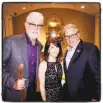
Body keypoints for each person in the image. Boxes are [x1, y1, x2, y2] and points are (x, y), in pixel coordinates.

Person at [3, 12, 44, 101]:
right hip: (14, 95)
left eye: (40, 25)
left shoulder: (40, 45)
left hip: (32, 93)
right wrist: (12, 83)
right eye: (33, 24)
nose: (36, 28)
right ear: (26, 25)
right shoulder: (10, 41)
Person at [63, 24, 100, 101]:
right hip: (69, 96)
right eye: (67, 36)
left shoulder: (90, 49)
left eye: (73, 35)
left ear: (78, 34)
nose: (70, 39)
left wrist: (97, 97)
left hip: (85, 96)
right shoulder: (67, 51)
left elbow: (98, 75)